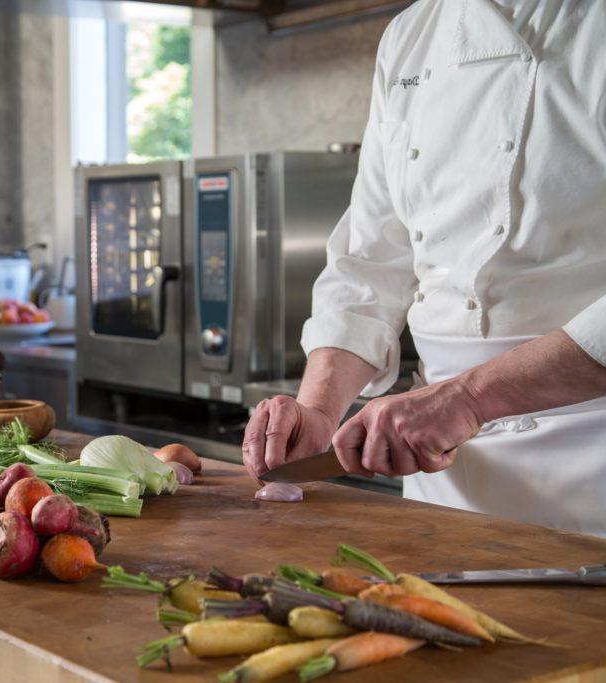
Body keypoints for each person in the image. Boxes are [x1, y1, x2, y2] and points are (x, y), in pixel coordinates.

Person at [243, 0, 606, 536]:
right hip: (441, 465)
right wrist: (319, 408)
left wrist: (472, 396)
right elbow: (371, 259)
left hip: (589, 448)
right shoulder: (410, 34)